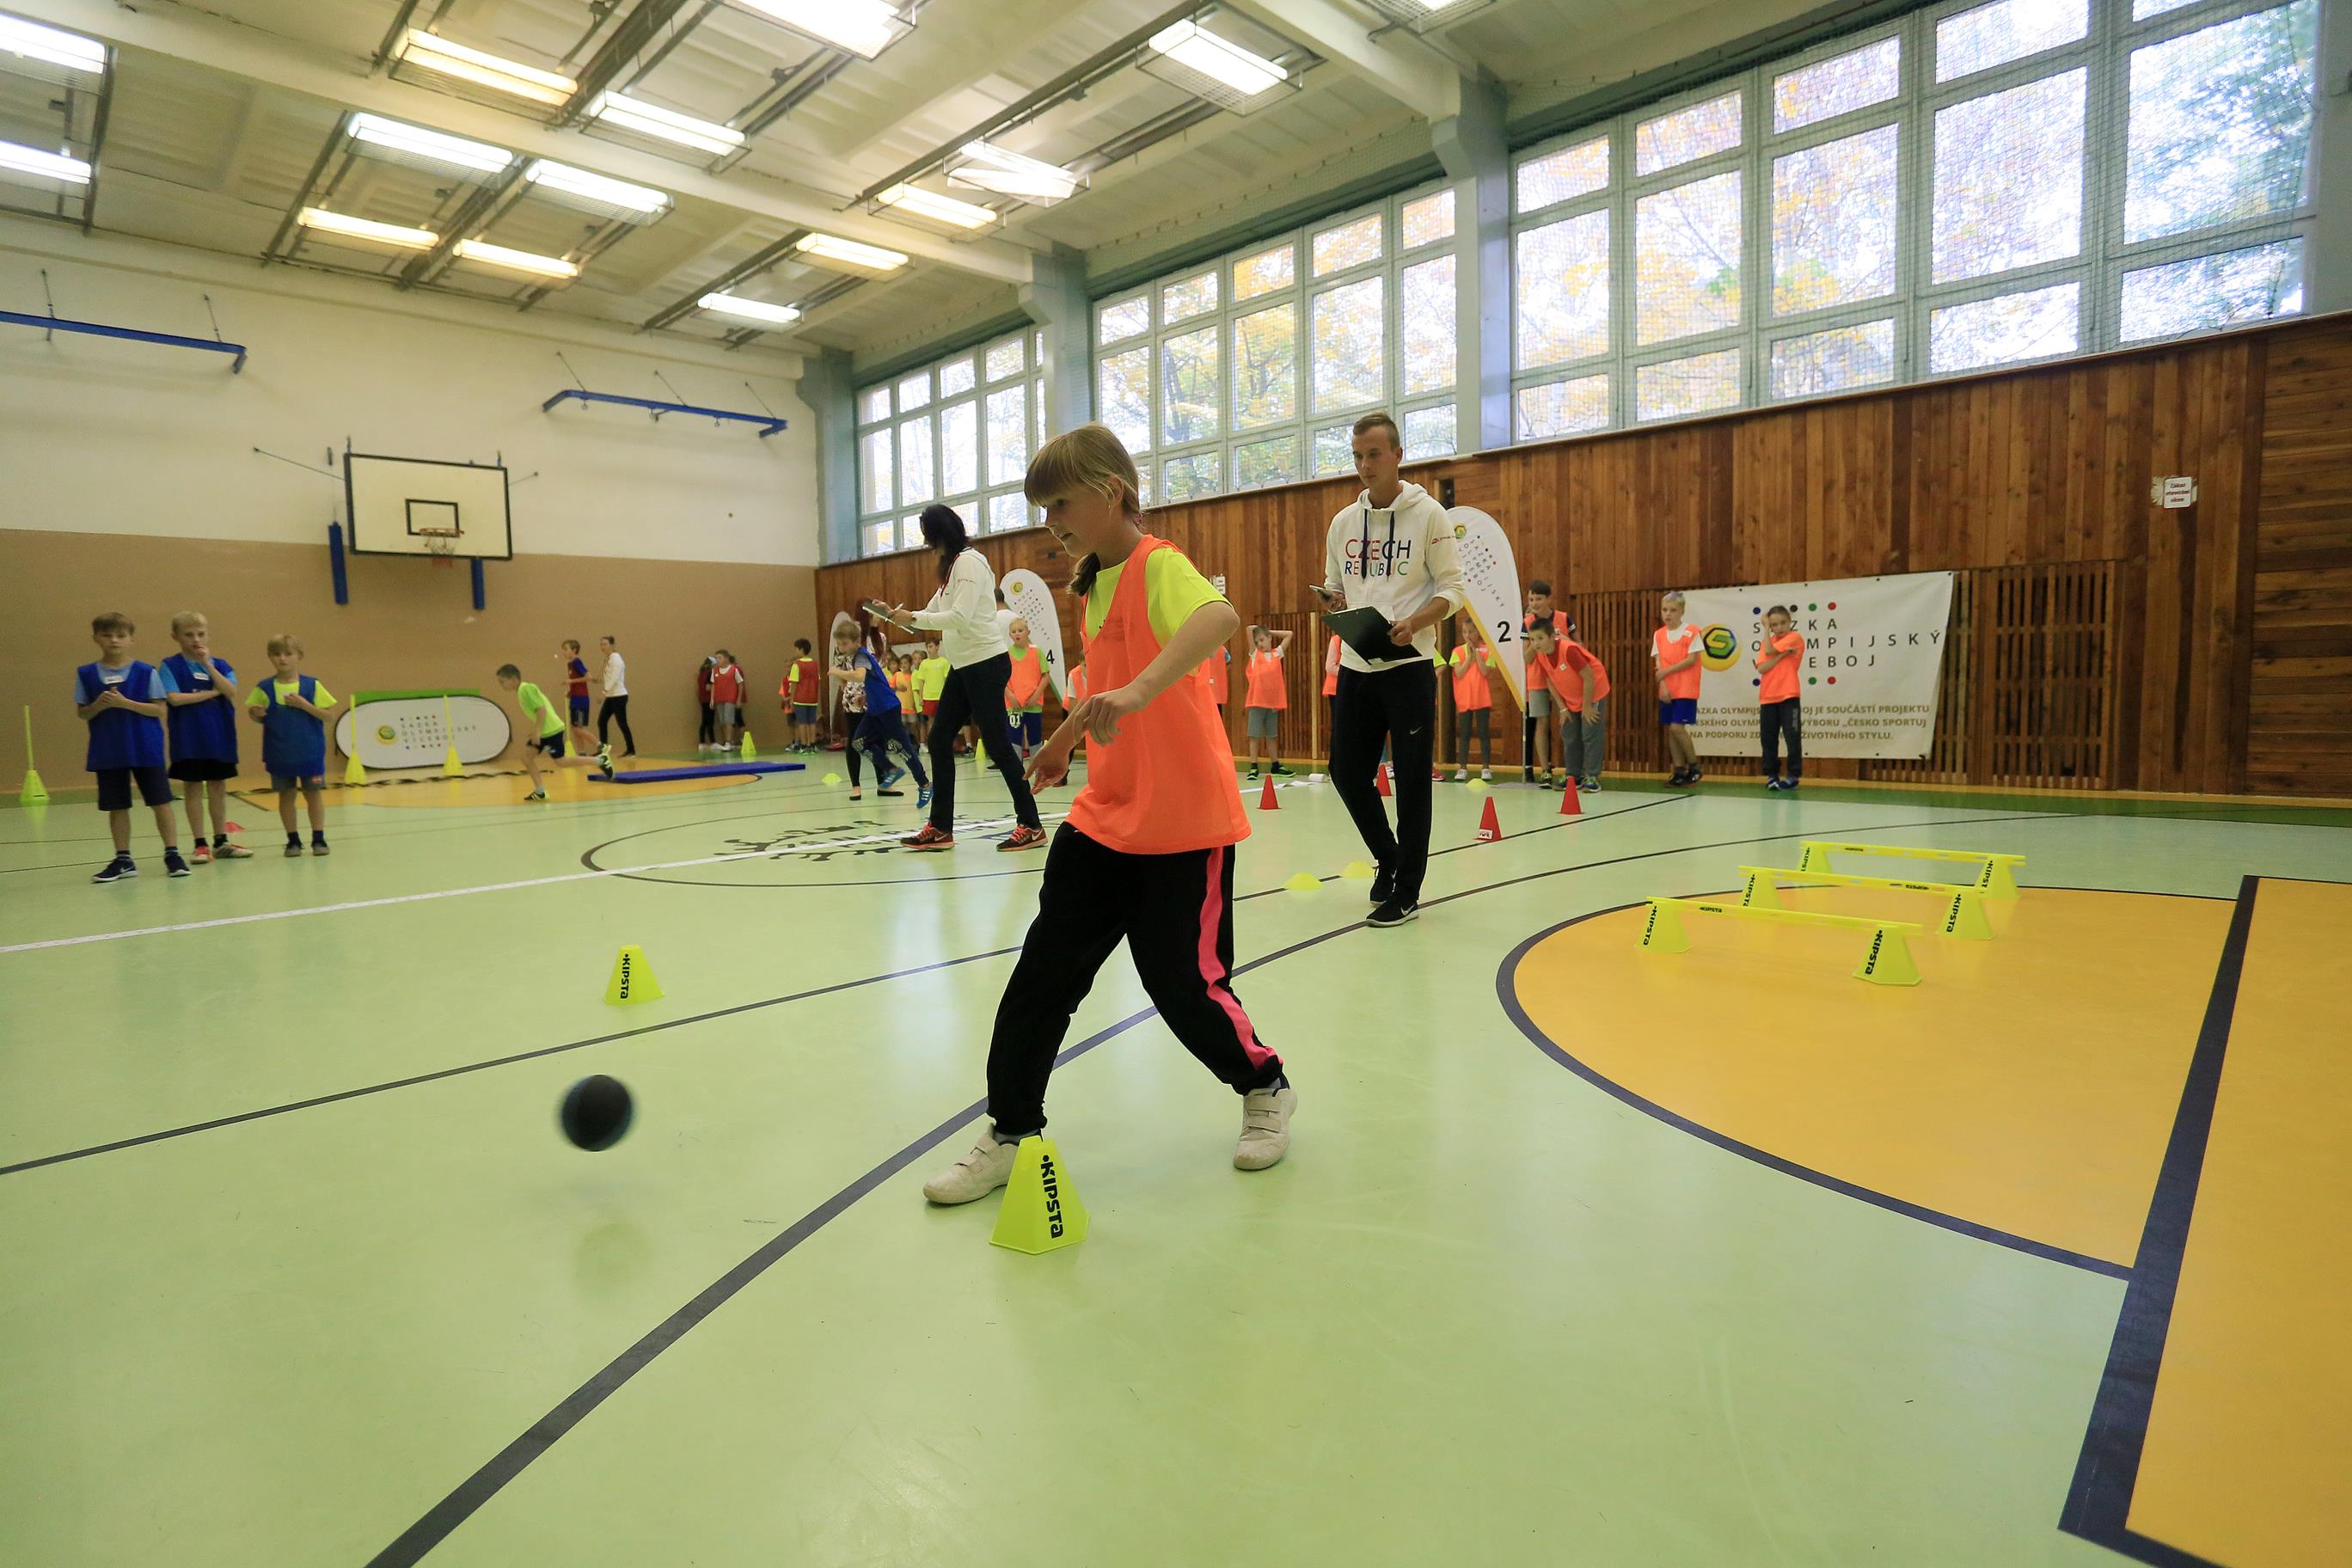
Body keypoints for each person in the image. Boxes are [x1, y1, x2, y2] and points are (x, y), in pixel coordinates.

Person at [921, 423, 1293, 1206]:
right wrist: (1062, 741)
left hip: (1183, 822)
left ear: (1111, 491)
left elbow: (1219, 618)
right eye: (1042, 508)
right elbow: (1100, 680)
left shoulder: (1159, 564)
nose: (1049, 521)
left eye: (1061, 503)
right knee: (1043, 974)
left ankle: (1264, 1084)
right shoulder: (1092, 584)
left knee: (1184, 986)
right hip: (1103, 817)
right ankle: (1010, 1130)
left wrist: (1138, 692)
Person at [1311, 412, 1467, 929]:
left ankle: (1407, 891)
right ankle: (1389, 855)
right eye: (1357, 456)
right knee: (1345, 771)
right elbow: (1336, 584)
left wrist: (1415, 622)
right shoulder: (1342, 523)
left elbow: (1453, 589)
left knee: (1413, 780)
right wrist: (1333, 600)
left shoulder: (1429, 516)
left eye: (1374, 454)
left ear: (1398, 455)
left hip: (1409, 666)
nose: (1364, 465)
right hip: (1357, 663)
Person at [867, 504, 1048, 853]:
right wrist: (895, 616)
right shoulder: (952, 570)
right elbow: (929, 614)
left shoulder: (968, 563)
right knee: (938, 740)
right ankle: (940, 828)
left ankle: (1031, 824)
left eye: (929, 539)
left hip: (986, 663)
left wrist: (913, 618)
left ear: (940, 536)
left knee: (997, 744)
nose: (928, 547)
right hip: (964, 665)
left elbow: (959, 617)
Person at [76, 611, 185, 883]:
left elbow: (159, 710)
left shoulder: (146, 672)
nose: (114, 640)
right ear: (96, 638)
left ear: (130, 640)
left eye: (120, 635)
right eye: (107, 635)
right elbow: (83, 713)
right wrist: (98, 706)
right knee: (117, 805)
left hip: (145, 748)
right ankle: (123, 859)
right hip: (108, 750)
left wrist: (126, 704)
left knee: (160, 801)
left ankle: (172, 854)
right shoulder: (86, 674)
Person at [157, 611, 250, 862]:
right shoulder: (170, 666)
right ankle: (200, 845)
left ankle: (221, 841)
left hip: (218, 738)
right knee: (193, 789)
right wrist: (210, 694)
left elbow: (230, 690)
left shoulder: (221, 665)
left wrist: (208, 665)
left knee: (218, 787)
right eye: (189, 635)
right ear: (176, 637)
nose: (196, 640)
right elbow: (174, 698)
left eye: (200, 634)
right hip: (189, 739)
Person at [246, 633, 335, 857]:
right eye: (277, 654)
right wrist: (256, 714)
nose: (282, 659)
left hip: (310, 753)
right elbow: (255, 715)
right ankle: (293, 840)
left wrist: (304, 705)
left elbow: (328, 716)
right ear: (270, 657)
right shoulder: (264, 688)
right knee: (286, 796)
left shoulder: (312, 685)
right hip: (279, 753)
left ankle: (318, 838)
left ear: (299, 656)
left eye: (288, 654)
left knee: (313, 794)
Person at [835, 622, 931, 808]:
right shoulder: (858, 656)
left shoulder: (861, 656)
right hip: (875, 709)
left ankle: (925, 784)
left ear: (856, 641)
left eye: (845, 644)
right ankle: (891, 769)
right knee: (859, 742)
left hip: (888, 708)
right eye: (839, 644)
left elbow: (860, 676)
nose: (841, 648)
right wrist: (866, 696)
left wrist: (838, 672)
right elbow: (876, 680)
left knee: (902, 748)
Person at [499, 664, 613, 798]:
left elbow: (541, 710)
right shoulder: (521, 692)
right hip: (545, 731)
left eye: (502, 681)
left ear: (513, 679)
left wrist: (537, 731)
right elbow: (539, 712)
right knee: (527, 758)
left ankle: (600, 760)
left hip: (551, 731)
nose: (501, 685)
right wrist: (536, 731)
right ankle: (540, 791)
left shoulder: (526, 689)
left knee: (561, 761)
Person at [1527, 622, 1609, 794]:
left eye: (1540, 638)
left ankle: (1592, 777)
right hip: (1571, 698)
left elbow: (1589, 676)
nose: (1536, 643)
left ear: (1552, 637)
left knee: (1590, 733)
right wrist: (1562, 708)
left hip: (1593, 692)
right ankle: (1573, 776)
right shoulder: (1541, 656)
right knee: (1569, 733)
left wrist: (1587, 706)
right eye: (1532, 639)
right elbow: (1549, 681)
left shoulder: (1569, 650)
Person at [1522, 581, 1572, 787]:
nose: (1534, 603)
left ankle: (1572, 770)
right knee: (1541, 723)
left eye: (1538, 599)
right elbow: (1526, 659)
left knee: (1568, 723)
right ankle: (1545, 771)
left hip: (1563, 678)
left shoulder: (1563, 618)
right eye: (1531, 599)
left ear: (1549, 599)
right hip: (1538, 679)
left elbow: (1579, 645)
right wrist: (1537, 641)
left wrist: (1560, 639)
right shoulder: (1527, 623)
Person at [1653, 591, 1704, 786]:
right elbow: (1659, 663)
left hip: (1686, 688)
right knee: (1671, 730)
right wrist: (1663, 684)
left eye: (1673, 610)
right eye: (1665, 610)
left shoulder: (1692, 631)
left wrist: (1666, 672)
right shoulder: (1659, 634)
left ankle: (1694, 766)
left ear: (1682, 611)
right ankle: (1679, 770)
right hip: (1668, 689)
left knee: (1677, 727)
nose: (1668, 614)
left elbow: (1691, 660)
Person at [1755, 605, 1804, 791]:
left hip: (1788, 695)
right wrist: (1782, 655)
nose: (1779, 628)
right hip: (1768, 696)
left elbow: (1769, 651)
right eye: (1774, 625)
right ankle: (1772, 775)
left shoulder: (1795, 637)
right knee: (1768, 739)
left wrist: (1775, 653)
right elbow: (1762, 668)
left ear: (1790, 621)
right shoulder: (1768, 641)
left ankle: (1793, 775)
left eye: (1783, 623)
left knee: (1792, 737)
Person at [1448, 617, 1496, 783]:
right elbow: (1459, 673)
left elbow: (1485, 672)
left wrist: (1477, 655)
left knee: (1484, 732)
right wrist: (1469, 657)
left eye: (1471, 632)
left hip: (1482, 698)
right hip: (1464, 699)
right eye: (1464, 632)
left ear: (1478, 632)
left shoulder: (1487, 649)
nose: (1467, 635)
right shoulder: (1458, 651)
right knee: (1465, 733)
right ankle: (1462, 768)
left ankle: (1486, 768)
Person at [1242, 625, 1293, 781]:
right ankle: (1254, 766)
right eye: (1257, 642)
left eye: (1262, 640)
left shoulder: (1277, 654)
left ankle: (1275, 765)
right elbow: (1248, 629)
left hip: (1272, 704)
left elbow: (1289, 634)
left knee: (1272, 735)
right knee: (1254, 735)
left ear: (1269, 638)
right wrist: (1257, 630)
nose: (1260, 644)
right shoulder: (1255, 655)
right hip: (1257, 703)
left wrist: (1270, 631)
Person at [1005, 618, 1049, 759]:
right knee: (1014, 740)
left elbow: (1045, 676)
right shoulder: (1006, 654)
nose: (1017, 634)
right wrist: (1011, 696)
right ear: (1010, 635)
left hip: (1033, 705)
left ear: (1028, 632)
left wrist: (1036, 696)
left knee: (1035, 739)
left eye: (1020, 630)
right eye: (1013, 631)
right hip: (1014, 706)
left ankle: (1037, 768)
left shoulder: (1037, 652)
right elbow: (1001, 680)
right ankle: (1016, 770)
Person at [597, 634, 634, 756]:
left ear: (612, 645)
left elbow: (614, 678)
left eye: (605, 644)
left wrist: (604, 693)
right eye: (601, 644)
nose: (603, 647)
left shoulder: (616, 659)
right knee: (602, 721)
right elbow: (609, 677)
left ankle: (631, 750)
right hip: (611, 696)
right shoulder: (609, 659)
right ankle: (604, 750)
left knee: (622, 723)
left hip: (619, 696)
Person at [784, 639, 823, 752]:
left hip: (800, 698)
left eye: (796, 649)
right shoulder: (815, 664)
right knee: (812, 722)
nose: (796, 652)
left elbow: (794, 683)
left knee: (802, 722)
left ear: (801, 650)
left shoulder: (797, 665)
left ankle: (804, 745)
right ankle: (812, 745)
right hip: (813, 698)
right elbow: (817, 680)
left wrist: (792, 698)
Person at [710, 649, 745, 753]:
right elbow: (713, 685)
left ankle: (728, 742)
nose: (718, 660)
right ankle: (727, 741)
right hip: (719, 699)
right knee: (722, 721)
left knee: (728, 720)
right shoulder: (715, 671)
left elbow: (740, 684)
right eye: (716, 658)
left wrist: (738, 699)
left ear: (726, 658)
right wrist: (712, 698)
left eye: (720, 658)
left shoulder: (734, 670)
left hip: (730, 699)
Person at [915, 640, 949, 747]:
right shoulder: (924, 663)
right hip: (928, 697)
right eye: (927, 647)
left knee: (943, 720)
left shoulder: (944, 662)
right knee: (931, 721)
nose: (929, 649)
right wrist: (920, 697)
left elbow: (947, 680)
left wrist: (948, 696)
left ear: (937, 647)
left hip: (941, 696)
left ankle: (944, 744)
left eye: (931, 646)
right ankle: (932, 744)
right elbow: (921, 681)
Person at [561, 640, 592, 734]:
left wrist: (571, 681)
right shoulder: (570, 664)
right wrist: (570, 692)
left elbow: (589, 677)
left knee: (578, 728)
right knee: (574, 728)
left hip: (581, 699)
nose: (564, 652)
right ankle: (581, 746)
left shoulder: (577, 662)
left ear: (574, 650)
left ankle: (598, 743)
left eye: (566, 649)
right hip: (574, 699)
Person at [695, 656, 718, 753]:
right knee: (710, 721)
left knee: (704, 721)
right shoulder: (709, 673)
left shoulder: (701, 674)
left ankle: (702, 743)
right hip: (708, 700)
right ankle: (713, 742)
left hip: (702, 700)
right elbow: (708, 688)